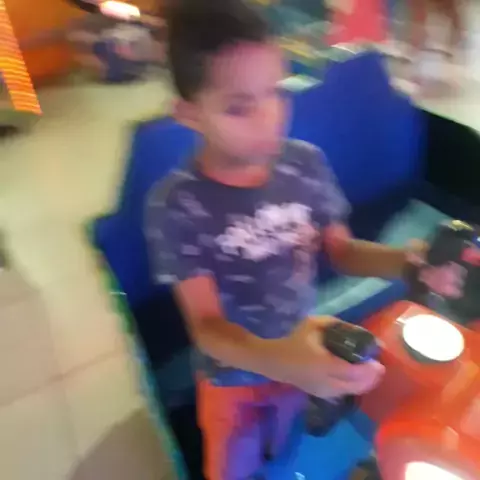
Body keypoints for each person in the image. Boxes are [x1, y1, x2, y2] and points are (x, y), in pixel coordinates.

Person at [145, 1, 424, 478]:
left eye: (276, 91)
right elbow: (207, 327)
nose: (268, 118)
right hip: (232, 381)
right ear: (189, 114)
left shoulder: (305, 164)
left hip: (301, 360)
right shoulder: (176, 205)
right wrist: (284, 363)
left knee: (284, 448)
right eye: (239, 107)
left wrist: (408, 261)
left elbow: (342, 252)